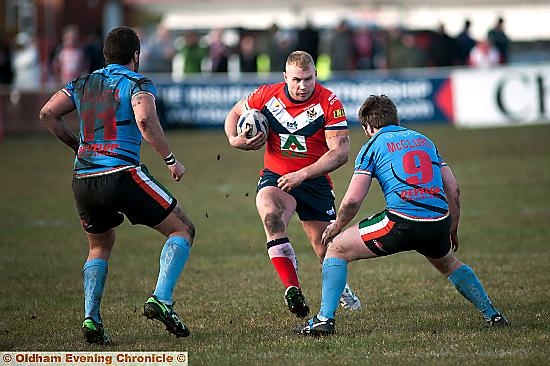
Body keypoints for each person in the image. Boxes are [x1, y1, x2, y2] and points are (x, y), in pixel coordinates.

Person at [297, 95, 510, 336]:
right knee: (449, 263)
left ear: (368, 127)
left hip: (401, 223)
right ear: (395, 119)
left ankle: (324, 320)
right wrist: (452, 227)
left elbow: (354, 199)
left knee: (336, 248)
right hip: (438, 222)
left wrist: (337, 226)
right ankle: (493, 314)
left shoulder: (371, 146)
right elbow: (454, 190)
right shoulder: (425, 140)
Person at [39, 26, 195, 345]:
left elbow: (47, 114)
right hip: (121, 173)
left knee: (99, 246)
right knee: (183, 229)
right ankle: (161, 298)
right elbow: (146, 120)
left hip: (83, 179)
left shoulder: (82, 83)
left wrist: (76, 145)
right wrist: (170, 160)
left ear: (106, 54)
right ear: (135, 56)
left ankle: (91, 319)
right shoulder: (136, 82)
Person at [224, 50, 362, 319]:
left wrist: (303, 174)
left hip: (315, 180)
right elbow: (234, 112)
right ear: (285, 76)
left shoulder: (330, 102)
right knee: (271, 216)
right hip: (276, 177)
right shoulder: (265, 96)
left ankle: (342, 289)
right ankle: (292, 289)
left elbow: (340, 153)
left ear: (315, 75)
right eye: (297, 79)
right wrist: (233, 139)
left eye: (308, 79)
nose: (302, 86)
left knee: (326, 249)